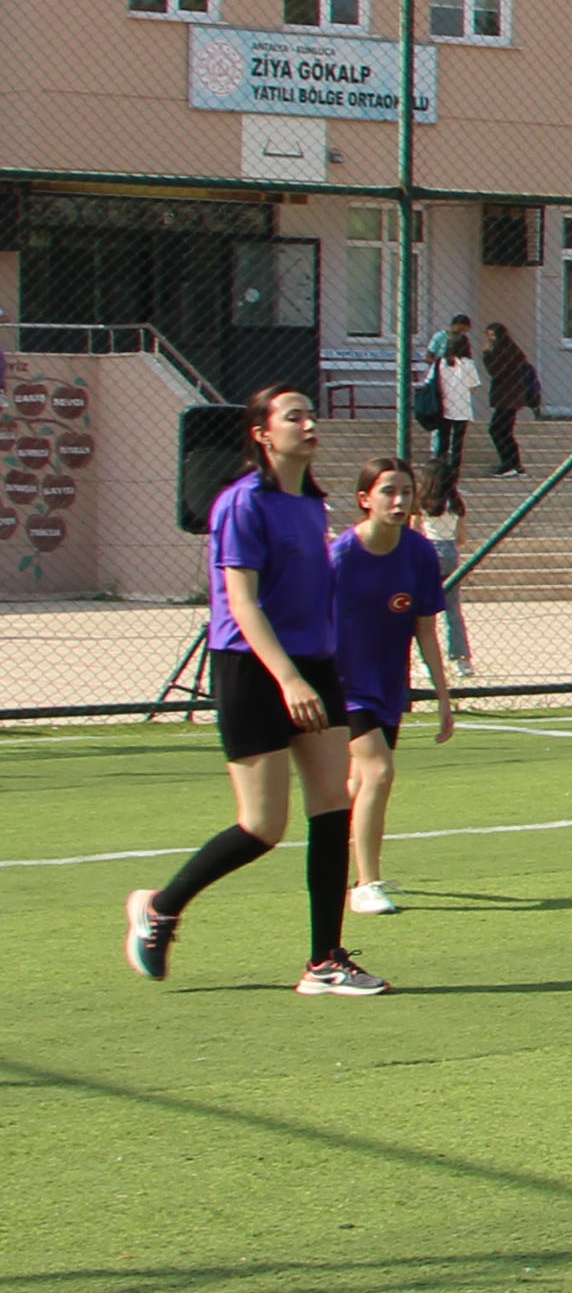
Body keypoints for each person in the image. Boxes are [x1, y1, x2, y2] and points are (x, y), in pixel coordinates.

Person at [123, 386, 387, 996]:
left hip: (314, 665)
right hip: (251, 669)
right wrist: (287, 677)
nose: (308, 423)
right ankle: (160, 906)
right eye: (294, 416)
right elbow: (241, 602)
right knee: (262, 826)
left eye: (310, 413)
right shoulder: (241, 503)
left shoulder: (310, 504)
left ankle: (325, 961)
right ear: (263, 433)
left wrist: (322, 667)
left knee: (332, 807)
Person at [330, 455, 455, 916]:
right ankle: (366, 884)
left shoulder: (419, 553)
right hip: (342, 685)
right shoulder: (341, 556)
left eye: (406, 491)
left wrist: (443, 696)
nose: (400, 500)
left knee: (361, 781)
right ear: (365, 499)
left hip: (388, 686)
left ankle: (333, 849)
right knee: (379, 772)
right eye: (388, 491)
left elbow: (424, 628)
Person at [417, 463, 475, 680]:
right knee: (453, 610)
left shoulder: (425, 502)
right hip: (450, 551)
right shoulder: (455, 504)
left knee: (425, 612)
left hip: (430, 551)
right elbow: (461, 537)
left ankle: (427, 661)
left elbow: (416, 529)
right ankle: (461, 660)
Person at [480, 323, 541, 477]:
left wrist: (487, 354)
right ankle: (514, 464)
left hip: (508, 397)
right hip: (511, 396)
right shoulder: (512, 350)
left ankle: (509, 464)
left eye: (493, 335)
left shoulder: (504, 351)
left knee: (497, 429)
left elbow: (495, 371)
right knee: (504, 431)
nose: (490, 339)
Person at [430, 318, 482, 478]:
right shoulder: (468, 364)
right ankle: (454, 472)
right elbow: (474, 388)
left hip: (443, 406)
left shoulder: (440, 363)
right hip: (461, 408)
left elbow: (430, 381)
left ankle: (439, 470)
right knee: (457, 443)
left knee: (443, 441)